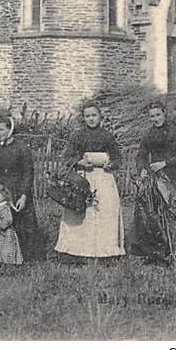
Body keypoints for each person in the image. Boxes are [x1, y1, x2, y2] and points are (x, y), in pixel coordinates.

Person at [54, 102, 125, 261]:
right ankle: (77, 251)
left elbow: (118, 157)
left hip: (103, 177)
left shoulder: (107, 135)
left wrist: (111, 164)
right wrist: (80, 162)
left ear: (100, 116)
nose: (91, 119)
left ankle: (106, 251)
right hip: (83, 178)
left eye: (94, 115)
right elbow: (67, 157)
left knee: (105, 210)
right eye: (87, 116)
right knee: (82, 212)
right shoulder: (77, 135)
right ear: (83, 118)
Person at [133, 100, 176, 266]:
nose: (155, 118)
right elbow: (141, 155)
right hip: (156, 180)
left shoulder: (175, 132)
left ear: (164, 113)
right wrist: (143, 169)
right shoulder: (148, 135)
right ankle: (159, 252)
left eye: (158, 115)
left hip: (175, 178)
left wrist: (166, 163)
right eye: (152, 116)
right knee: (153, 214)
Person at [0, 110, 45, 261]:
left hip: (18, 189)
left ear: (10, 130)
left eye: (1, 129)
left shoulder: (22, 148)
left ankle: (27, 258)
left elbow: (28, 173)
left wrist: (24, 196)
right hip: (0, 190)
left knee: (24, 225)